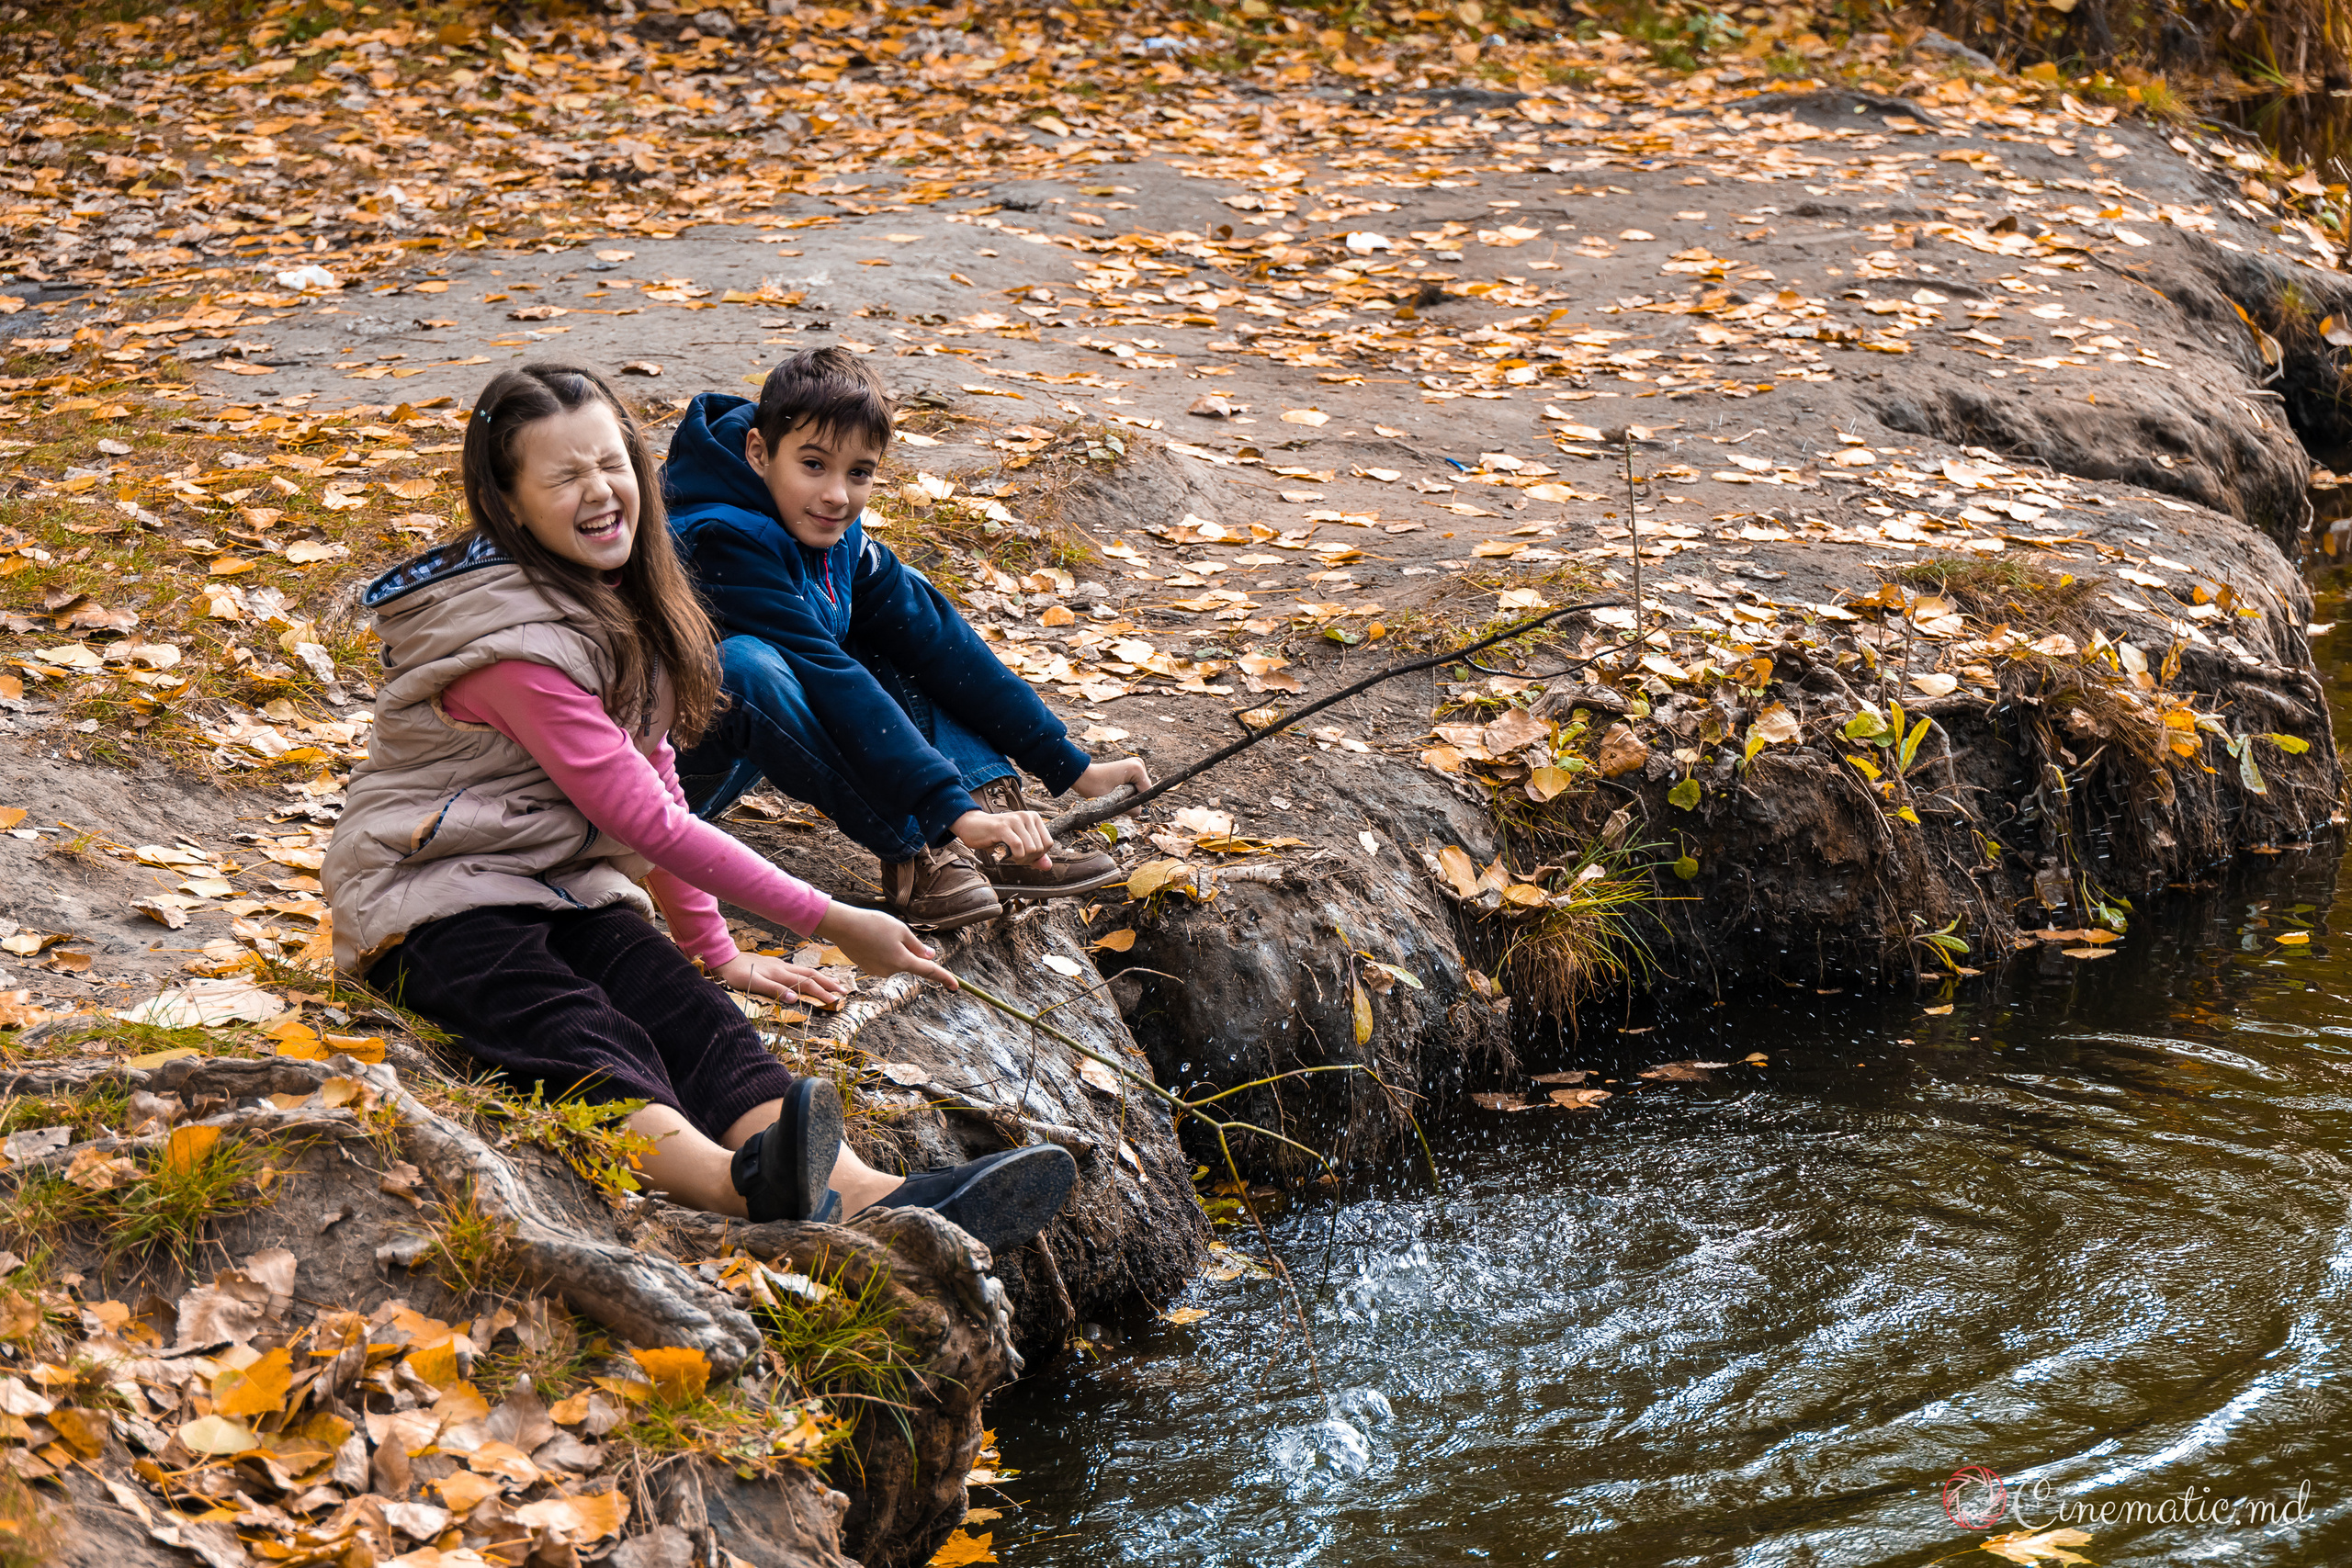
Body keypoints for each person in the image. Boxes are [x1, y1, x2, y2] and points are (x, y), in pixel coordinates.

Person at [321, 363, 1076, 1252]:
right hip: (432, 901)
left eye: (612, 465)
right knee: (571, 1030)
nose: (601, 492)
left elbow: (661, 780)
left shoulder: (619, 602)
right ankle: (736, 1188)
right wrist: (829, 918)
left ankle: (874, 1196)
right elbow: (650, 825)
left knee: (689, 1010)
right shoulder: (514, 651)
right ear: (510, 503)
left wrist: (715, 951)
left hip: (567, 884)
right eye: (564, 477)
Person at [663, 346, 1149, 931]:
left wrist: (1067, 762)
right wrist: (946, 810)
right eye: (813, 465)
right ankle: (923, 849)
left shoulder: (827, 527)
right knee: (746, 665)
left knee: (899, 610)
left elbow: (937, 641)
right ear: (760, 453)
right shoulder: (716, 538)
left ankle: (997, 823)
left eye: (858, 473)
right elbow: (825, 671)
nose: (837, 495)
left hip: (751, 734)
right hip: (659, 786)